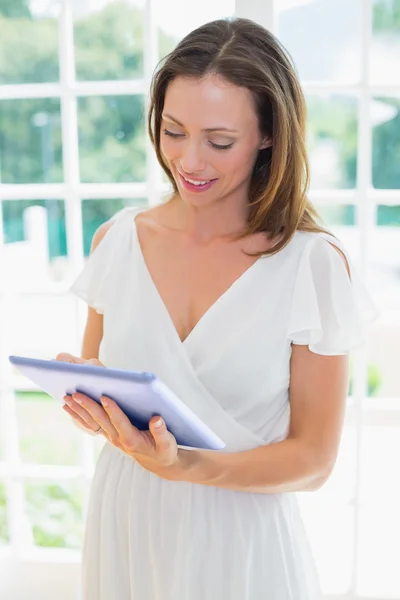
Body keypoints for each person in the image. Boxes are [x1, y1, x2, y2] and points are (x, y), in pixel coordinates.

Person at [57, 17, 379, 600]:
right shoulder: (118, 240)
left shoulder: (312, 265)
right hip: (127, 523)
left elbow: (314, 460)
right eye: (173, 131)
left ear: (268, 137)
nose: (190, 161)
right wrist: (93, 405)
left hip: (240, 540)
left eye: (219, 141)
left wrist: (188, 467)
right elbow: (105, 389)